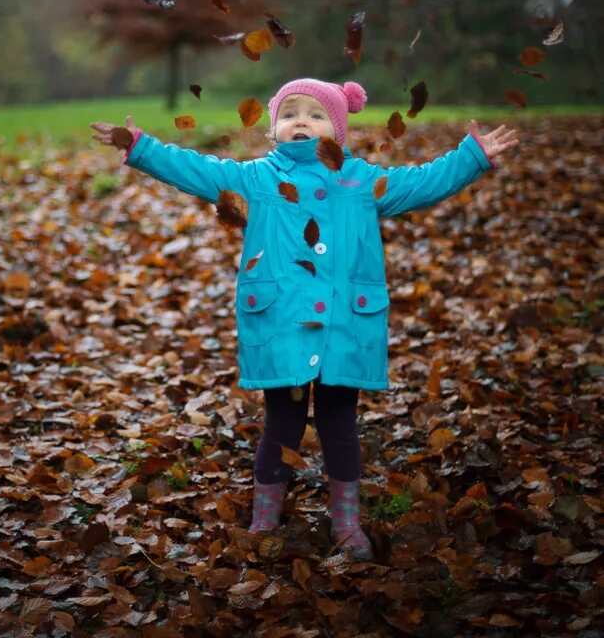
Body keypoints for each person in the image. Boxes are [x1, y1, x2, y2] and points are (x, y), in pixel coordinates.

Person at [90, 78, 519, 561]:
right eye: (290, 112)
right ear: (273, 128)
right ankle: (263, 520)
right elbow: (197, 170)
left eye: (316, 115)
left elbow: (420, 183)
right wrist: (142, 148)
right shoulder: (255, 179)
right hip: (282, 323)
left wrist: (471, 157)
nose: (301, 121)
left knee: (339, 422)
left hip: (345, 325)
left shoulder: (359, 181)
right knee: (282, 424)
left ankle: (346, 522)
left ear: (337, 130)